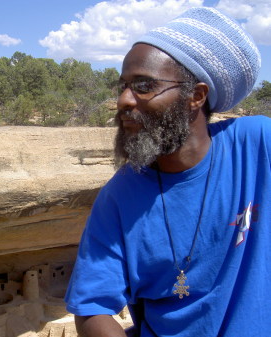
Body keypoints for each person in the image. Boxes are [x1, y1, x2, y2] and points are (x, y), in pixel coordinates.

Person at [65, 7, 270, 337]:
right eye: (123, 87)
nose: (123, 101)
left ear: (196, 96)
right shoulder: (120, 197)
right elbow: (93, 308)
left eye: (144, 86)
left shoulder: (256, 146)